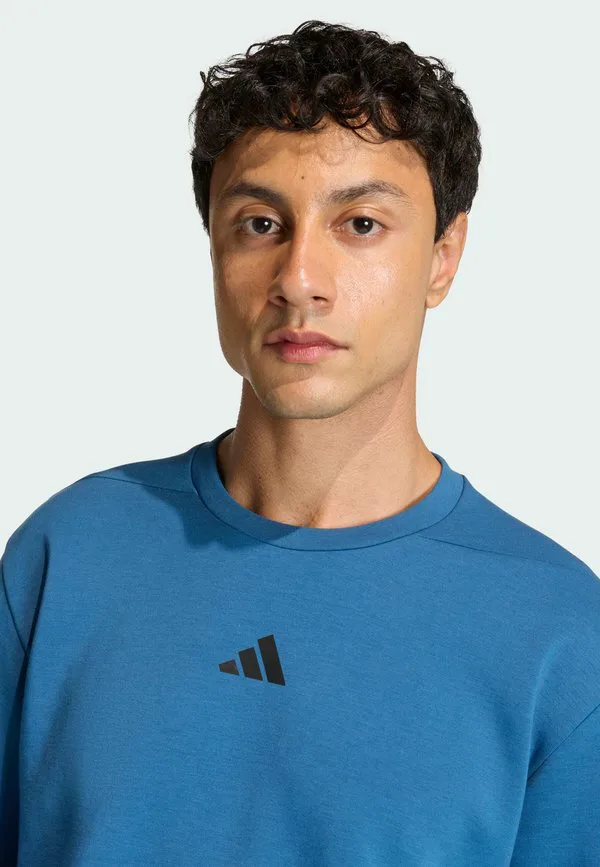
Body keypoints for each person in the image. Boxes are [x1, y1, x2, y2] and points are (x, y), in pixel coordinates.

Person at [1, 18, 599, 866]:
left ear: (443, 256)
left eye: (360, 224)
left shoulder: (561, 636)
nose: (298, 280)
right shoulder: (64, 556)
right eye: (259, 223)